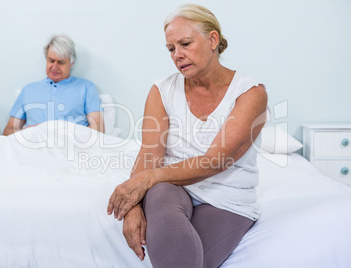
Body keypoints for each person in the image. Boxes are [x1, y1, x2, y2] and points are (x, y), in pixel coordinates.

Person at [107, 4, 267, 268]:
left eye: (185, 44)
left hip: (226, 198)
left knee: (189, 259)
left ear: (212, 40)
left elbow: (215, 161)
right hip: (171, 188)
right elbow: (149, 153)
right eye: (171, 49)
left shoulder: (250, 93)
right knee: (158, 195)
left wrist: (148, 179)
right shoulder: (162, 90)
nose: (177, 55)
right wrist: (132, 205)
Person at [3, 35, 104, 136]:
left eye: (61, 62)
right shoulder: (28, 90)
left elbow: (98, 128)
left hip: (69, 145)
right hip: (33, 145)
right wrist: (26, 132)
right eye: (51, 61)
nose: (54, 67)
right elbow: (8, 131)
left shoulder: (86, 88)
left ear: (71, 63)